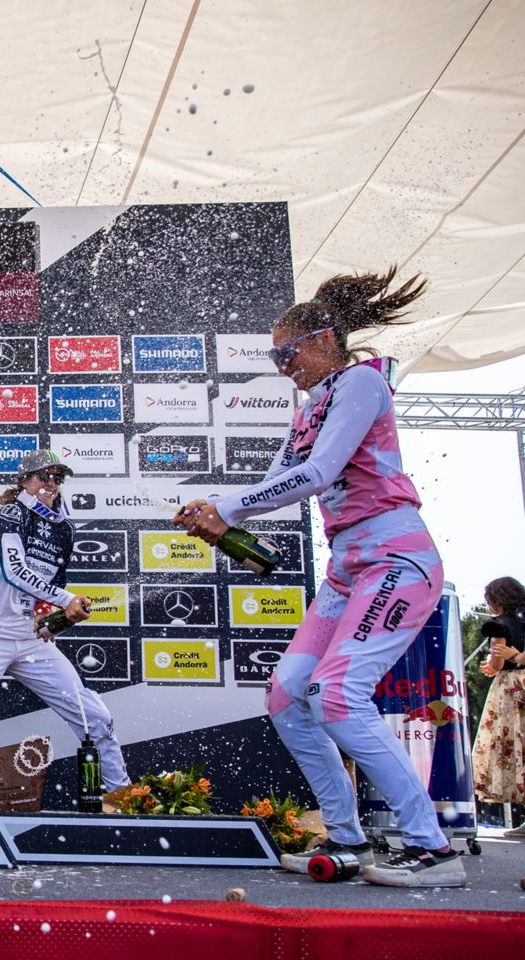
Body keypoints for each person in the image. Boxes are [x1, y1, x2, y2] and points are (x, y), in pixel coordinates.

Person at [177, 266, 465, 887]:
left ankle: (432, 848)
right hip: (348, 573)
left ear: (327, 338)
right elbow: (277, 483)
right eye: (274, 356)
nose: (283, 365)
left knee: (337, 697)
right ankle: (347, 836)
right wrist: (220, 514)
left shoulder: (361, 381)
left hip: (396, 560)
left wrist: (229, 510)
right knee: (287, 697)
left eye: (290, 352)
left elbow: (318, 472)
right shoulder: (310, 407)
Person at [0, 449, 130, 798]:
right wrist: (67, 600)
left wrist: (55, 621)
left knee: (94, 717)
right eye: (43, 476)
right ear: (25, 481)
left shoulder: (65, 528)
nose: (50, 484)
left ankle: (121, 799)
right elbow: (16, 571)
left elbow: (49, 588)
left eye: (57, 479)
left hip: (31, 639)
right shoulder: (12, 513)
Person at [473, 576, 525, 837]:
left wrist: (492, 667)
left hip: (512, 688)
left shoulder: (499, 625)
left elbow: (498, 659)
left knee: (512, 750)